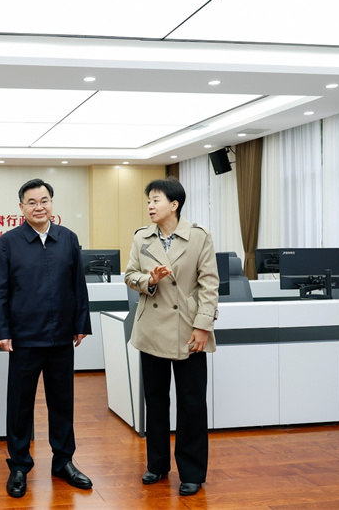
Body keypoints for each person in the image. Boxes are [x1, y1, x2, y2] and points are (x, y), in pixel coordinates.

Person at [0, 178, 94, 498]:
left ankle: (63, 461)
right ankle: (19, 465)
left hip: (61, 337)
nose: (39, 206)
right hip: (24, 339)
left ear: (52, 203)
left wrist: (81, 323)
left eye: (44, 200)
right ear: (21, 207)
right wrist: (2, 331)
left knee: (62, 403)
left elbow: (78, 285)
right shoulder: (8, 242)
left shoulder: (67, 238)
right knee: (20, 406)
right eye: (32, 202)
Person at [124, 176, 218, 497]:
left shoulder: (199, 236)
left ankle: (191, 472)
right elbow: (130, 275)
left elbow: (209, 284)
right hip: (151, 329)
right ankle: (157, 464)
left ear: (174, 204)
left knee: (192, 403)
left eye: (156, 200)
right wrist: (148, 280)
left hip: (188, 329)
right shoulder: (142, 237)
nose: (150, 206)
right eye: (148, 200)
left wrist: (203, 325)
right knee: (156, 400)